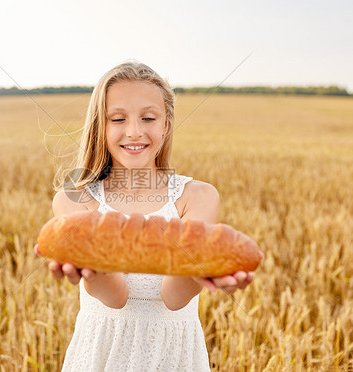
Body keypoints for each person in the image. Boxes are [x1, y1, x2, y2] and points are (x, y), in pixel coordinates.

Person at [34, 61, 255, 371]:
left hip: (173, 357)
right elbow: (115, 298)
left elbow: (174, 298)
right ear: (101, 126)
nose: (134, 131)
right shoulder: (75, 199)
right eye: (118, 119)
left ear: (165, 124)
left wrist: (202, 271)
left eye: (148, 118)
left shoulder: (197, 197)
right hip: (102, 355)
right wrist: (92, 269)